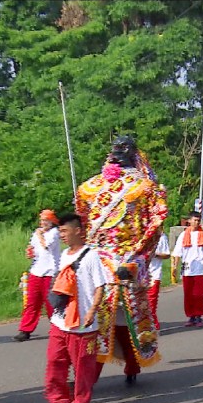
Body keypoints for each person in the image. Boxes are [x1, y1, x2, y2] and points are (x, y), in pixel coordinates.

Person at [74, 135, 167, 385]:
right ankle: (90, 372)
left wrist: (137, 258)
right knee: (100, 317)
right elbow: (79, 227)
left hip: (116, 263)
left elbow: (155, 224)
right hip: (107, 263)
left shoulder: (141, 188)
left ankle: (125, 366)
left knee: (112, 317)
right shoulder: (92, 188)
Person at [42, 213, 107, 403]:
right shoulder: (63, 255)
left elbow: (100, 286)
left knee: (82, 368)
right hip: (60, 321)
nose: (61, 235)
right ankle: (59, 402)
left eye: (64, 231)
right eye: (59, 231)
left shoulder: (91, 256)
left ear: (77, 231)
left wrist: (92, 310)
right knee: (55, 362)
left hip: (82, 324)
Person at [13, 209, 61, 342]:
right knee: (32, 302)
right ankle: (25, 330)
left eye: (46, 220)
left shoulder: (54, 233)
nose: (43, 223)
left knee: (51, 303)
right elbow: (34, 248)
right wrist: (30, 251)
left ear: (52, 221)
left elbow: (47, 246)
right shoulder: (37, 233)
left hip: (50, 272)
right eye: (42, 220)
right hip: (36, 271)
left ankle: (57, 328)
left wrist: (40, 234)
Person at [171, 211, 203, 328]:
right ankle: (191, 316)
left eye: (198, 220)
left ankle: (198, 315)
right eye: (194, 220)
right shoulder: (183, 235)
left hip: (200, 268)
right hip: (187, 268)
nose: (196, 222)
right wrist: (174, 267)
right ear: (189, 221)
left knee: (199, 294)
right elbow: (177, 253)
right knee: (188, 294)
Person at [147, 229, 170, 330]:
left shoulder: (161, 237)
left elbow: (167, 254)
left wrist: (154, 254)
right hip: (140, 275)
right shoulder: (143, 236)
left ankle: (152, 326)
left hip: (154, 274)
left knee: (151, 302)